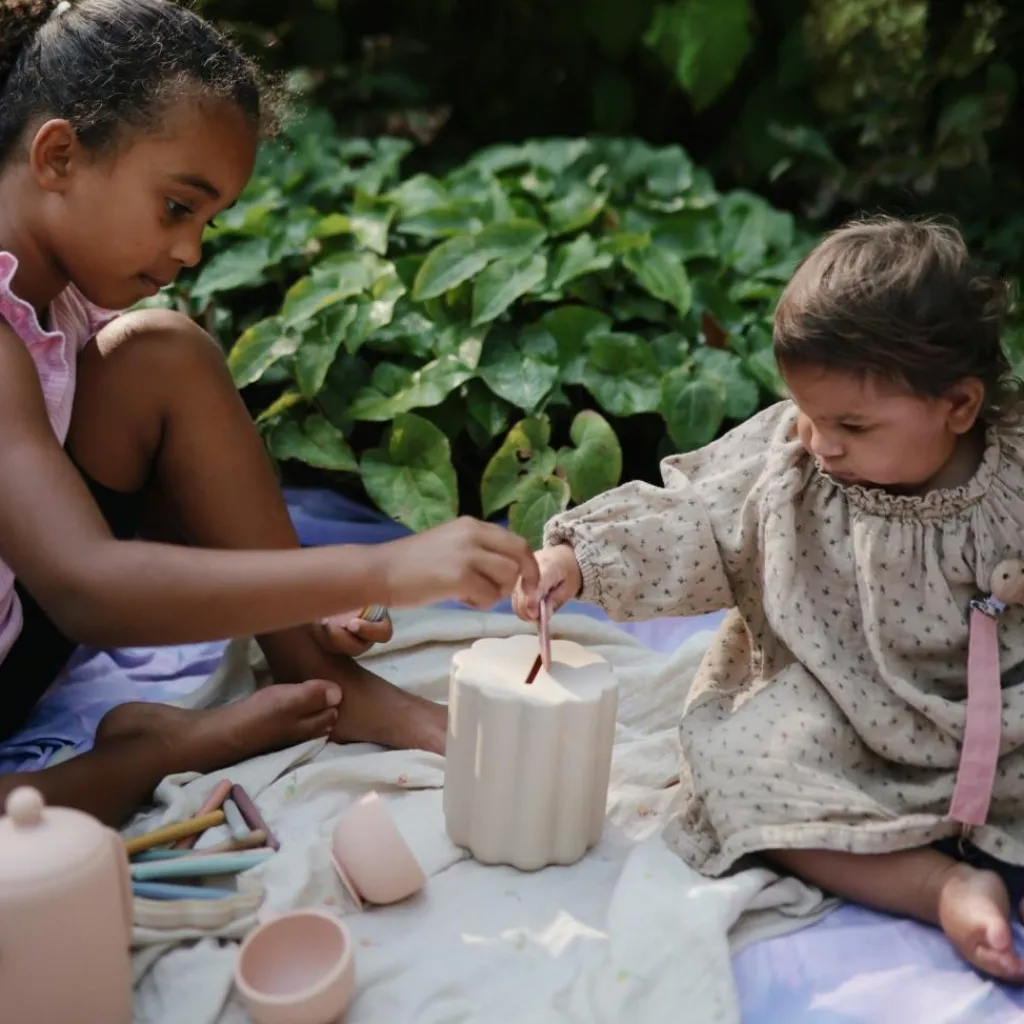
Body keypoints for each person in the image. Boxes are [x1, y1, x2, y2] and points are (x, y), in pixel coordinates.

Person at [0, 0, 537, 826]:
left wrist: (296, 606)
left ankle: (321, 677)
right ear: (59, 155)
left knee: (163, 353)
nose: (190, 251)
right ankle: (158, 751)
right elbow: (86, 587)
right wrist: (383, 568)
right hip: (56, 608)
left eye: (206, 222)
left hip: (18, 635)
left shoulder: (59, 294)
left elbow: (149, 503)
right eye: (177, 207)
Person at [514, 216, 1024, 982]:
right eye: (808, 413)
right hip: (838, 698)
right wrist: (577, 560)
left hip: (1000, 713)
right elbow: (697, 520)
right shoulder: (791, 463)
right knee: (737, 770)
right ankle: (939, 886)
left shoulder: (1014, 469)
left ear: (958, 406)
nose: (821, 441)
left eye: (852, 424)